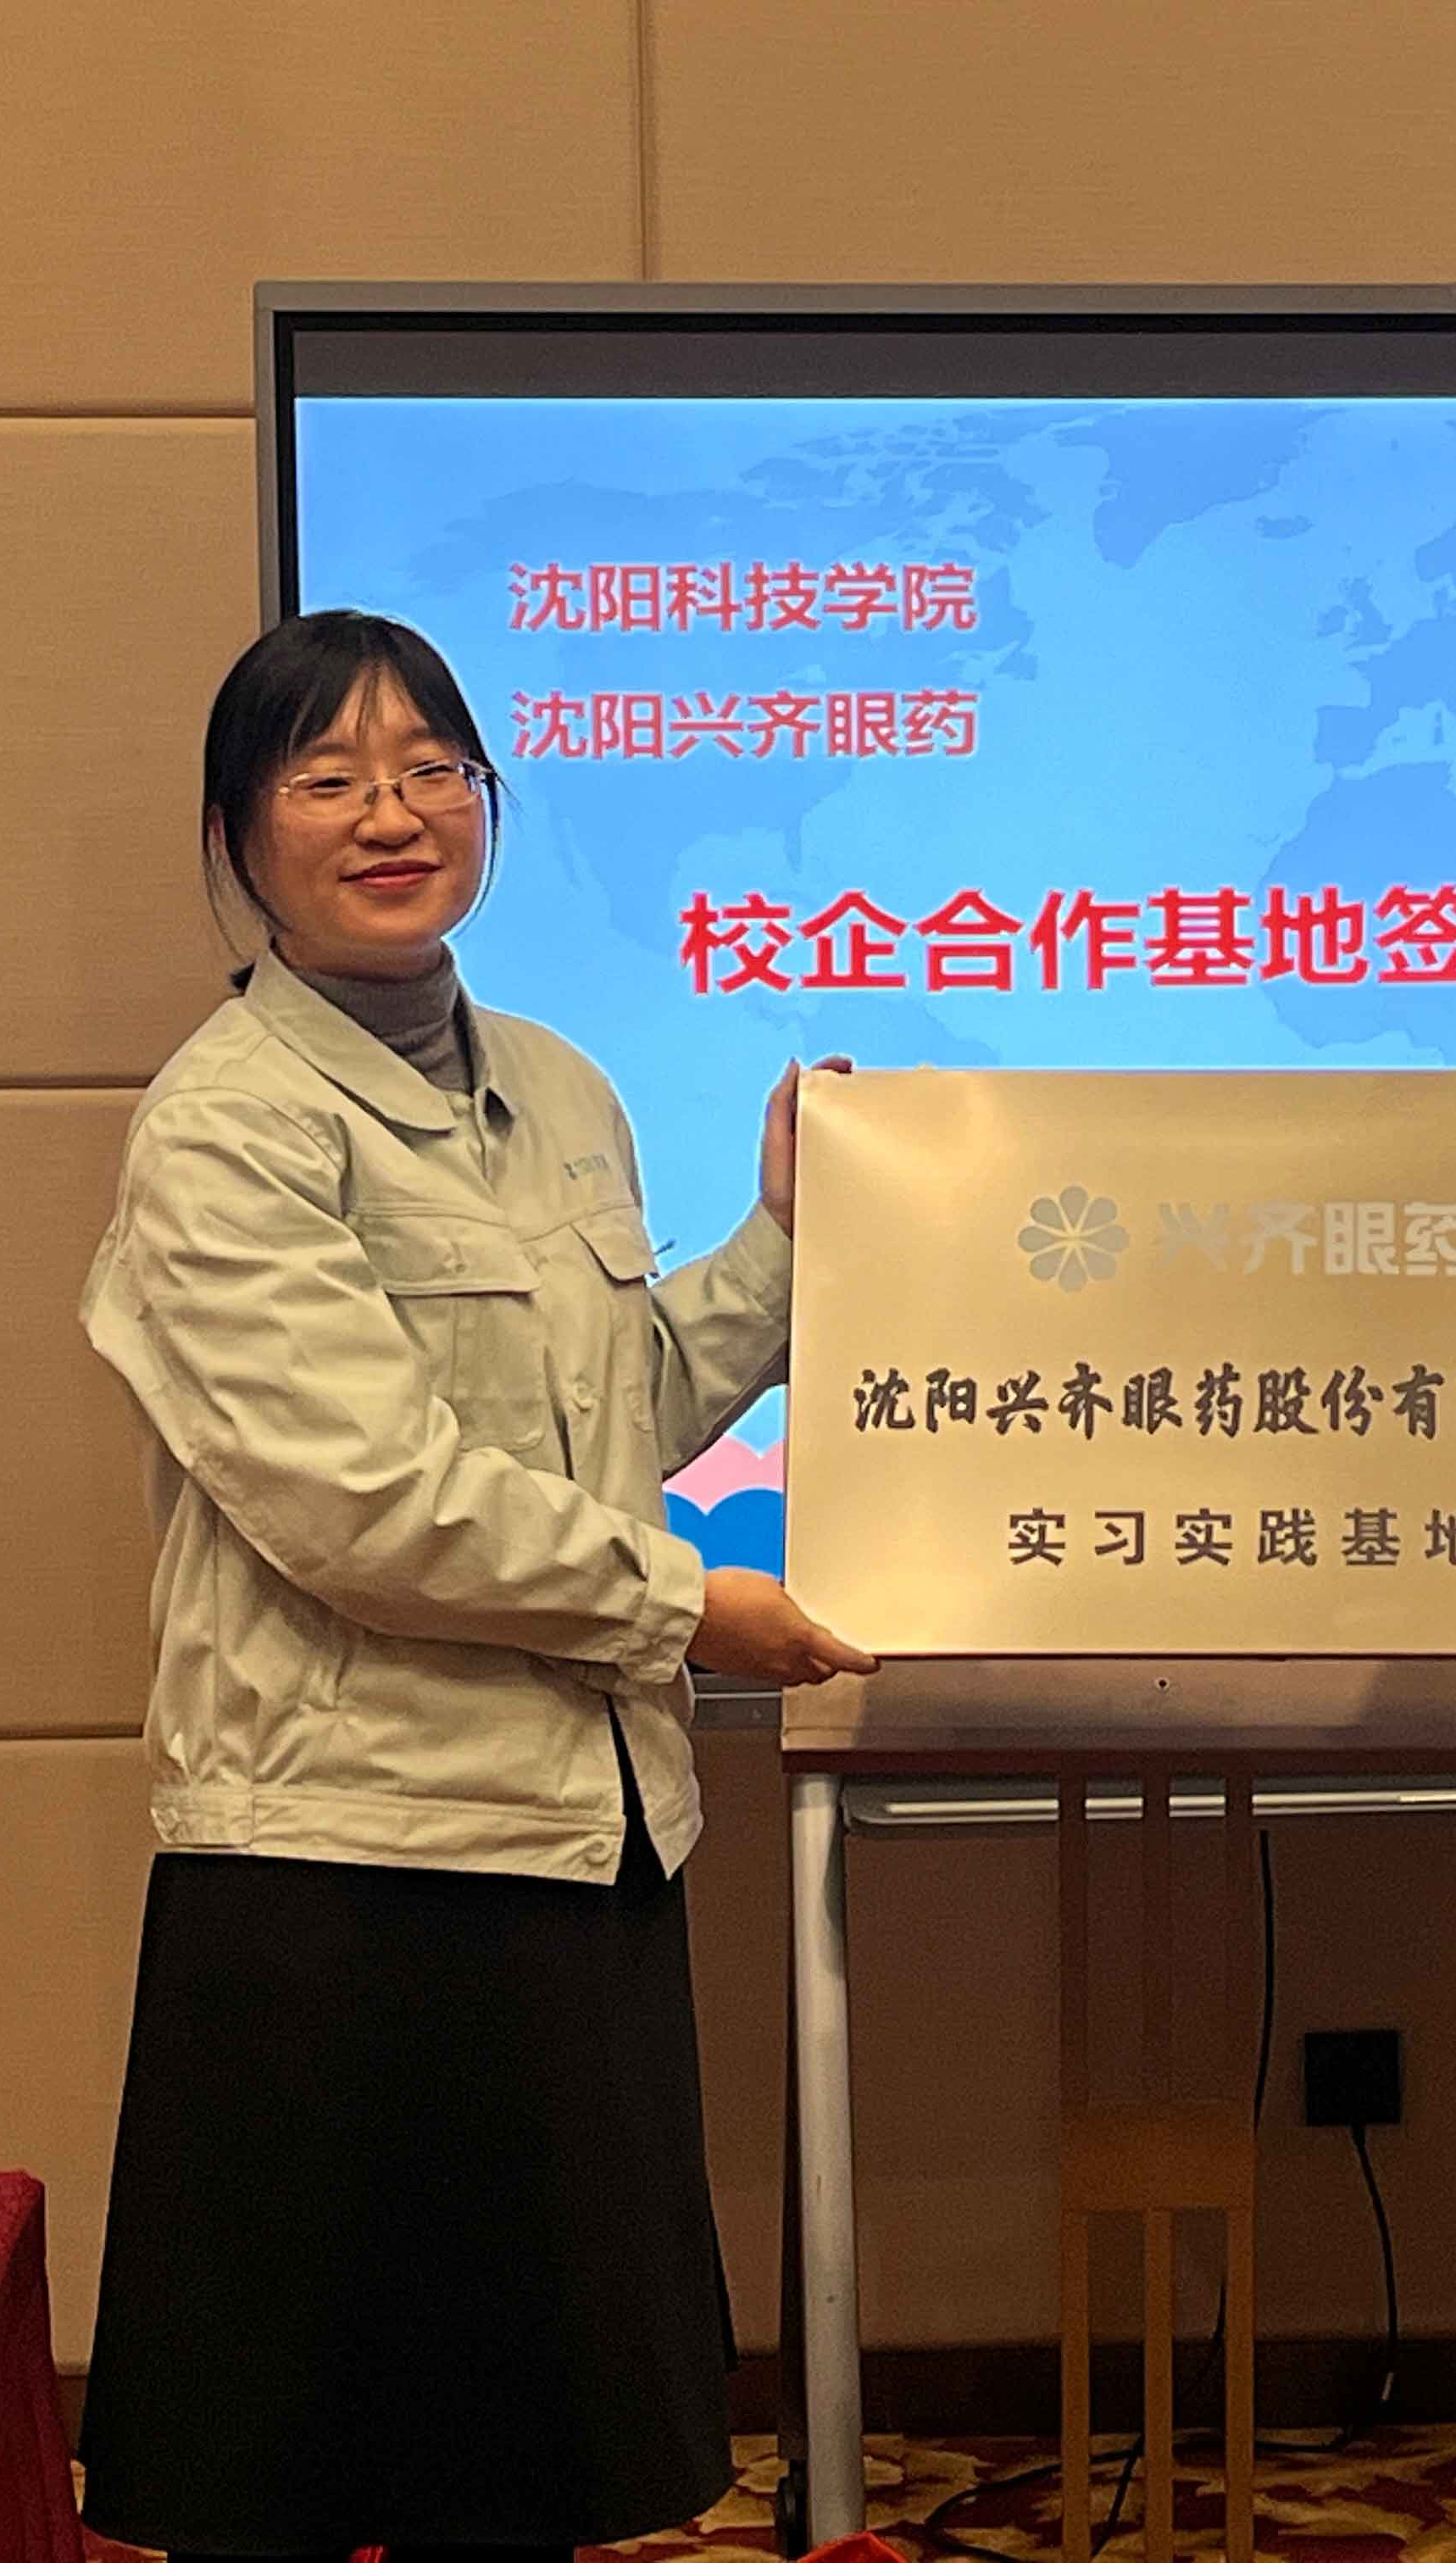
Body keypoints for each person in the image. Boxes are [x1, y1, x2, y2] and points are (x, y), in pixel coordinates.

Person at [73, 609, 874, 2563]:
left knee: (530, 2478)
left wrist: (791, 1240)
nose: (393, 814)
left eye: (435, 769)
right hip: (344, 1876)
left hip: (576, 1844)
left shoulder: (563, 1087)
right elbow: (370, 1505)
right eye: (330, 776)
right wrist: (692, 1611)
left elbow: (616, 1412)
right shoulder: (225, 1128)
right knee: (295, 2486)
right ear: (236, 835)